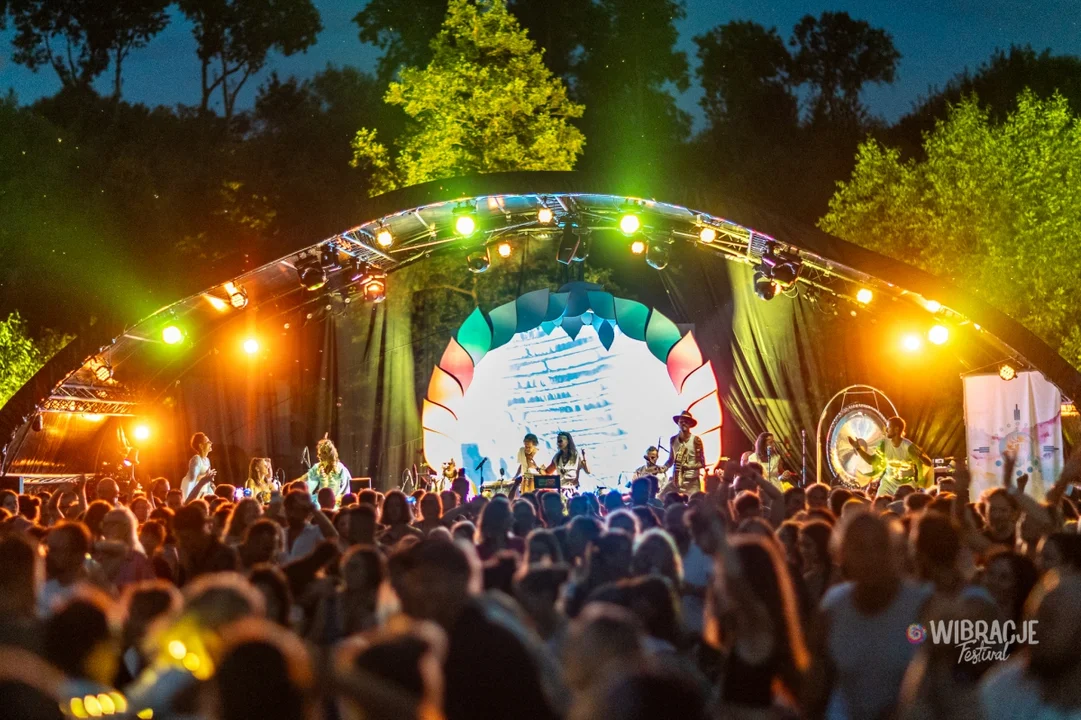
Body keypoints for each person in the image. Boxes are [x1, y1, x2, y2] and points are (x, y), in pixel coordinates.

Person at [848, 416, 925, 497]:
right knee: (879, 502)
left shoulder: (908, 446)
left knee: (903, 503)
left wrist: (920, 484)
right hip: (888, 484)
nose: (886, 430)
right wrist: (858, 448)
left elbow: (920, 465)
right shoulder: (884, 444)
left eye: (888, 427)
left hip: (906, 485)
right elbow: (871, 461)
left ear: (896, 429)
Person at [665, 411, 706, 494]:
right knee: (662, 496)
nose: (684, 423)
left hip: (692, 482)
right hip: (676, 480)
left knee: (694, 500)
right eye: (681, 421)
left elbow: (702, 463)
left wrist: (688, 467)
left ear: (690, 424)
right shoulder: (673, 440)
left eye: (686, 422)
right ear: (678, 423)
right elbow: (671, 459)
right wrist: (664, 467)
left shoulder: (696, 440)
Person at [180, 432, 216, 501]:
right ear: (201, 446)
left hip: (205, 492)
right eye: (208, 442)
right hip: (197, 493)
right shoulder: (196, 459)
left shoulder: (207, 460)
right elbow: (192, 479)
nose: (211, 443)